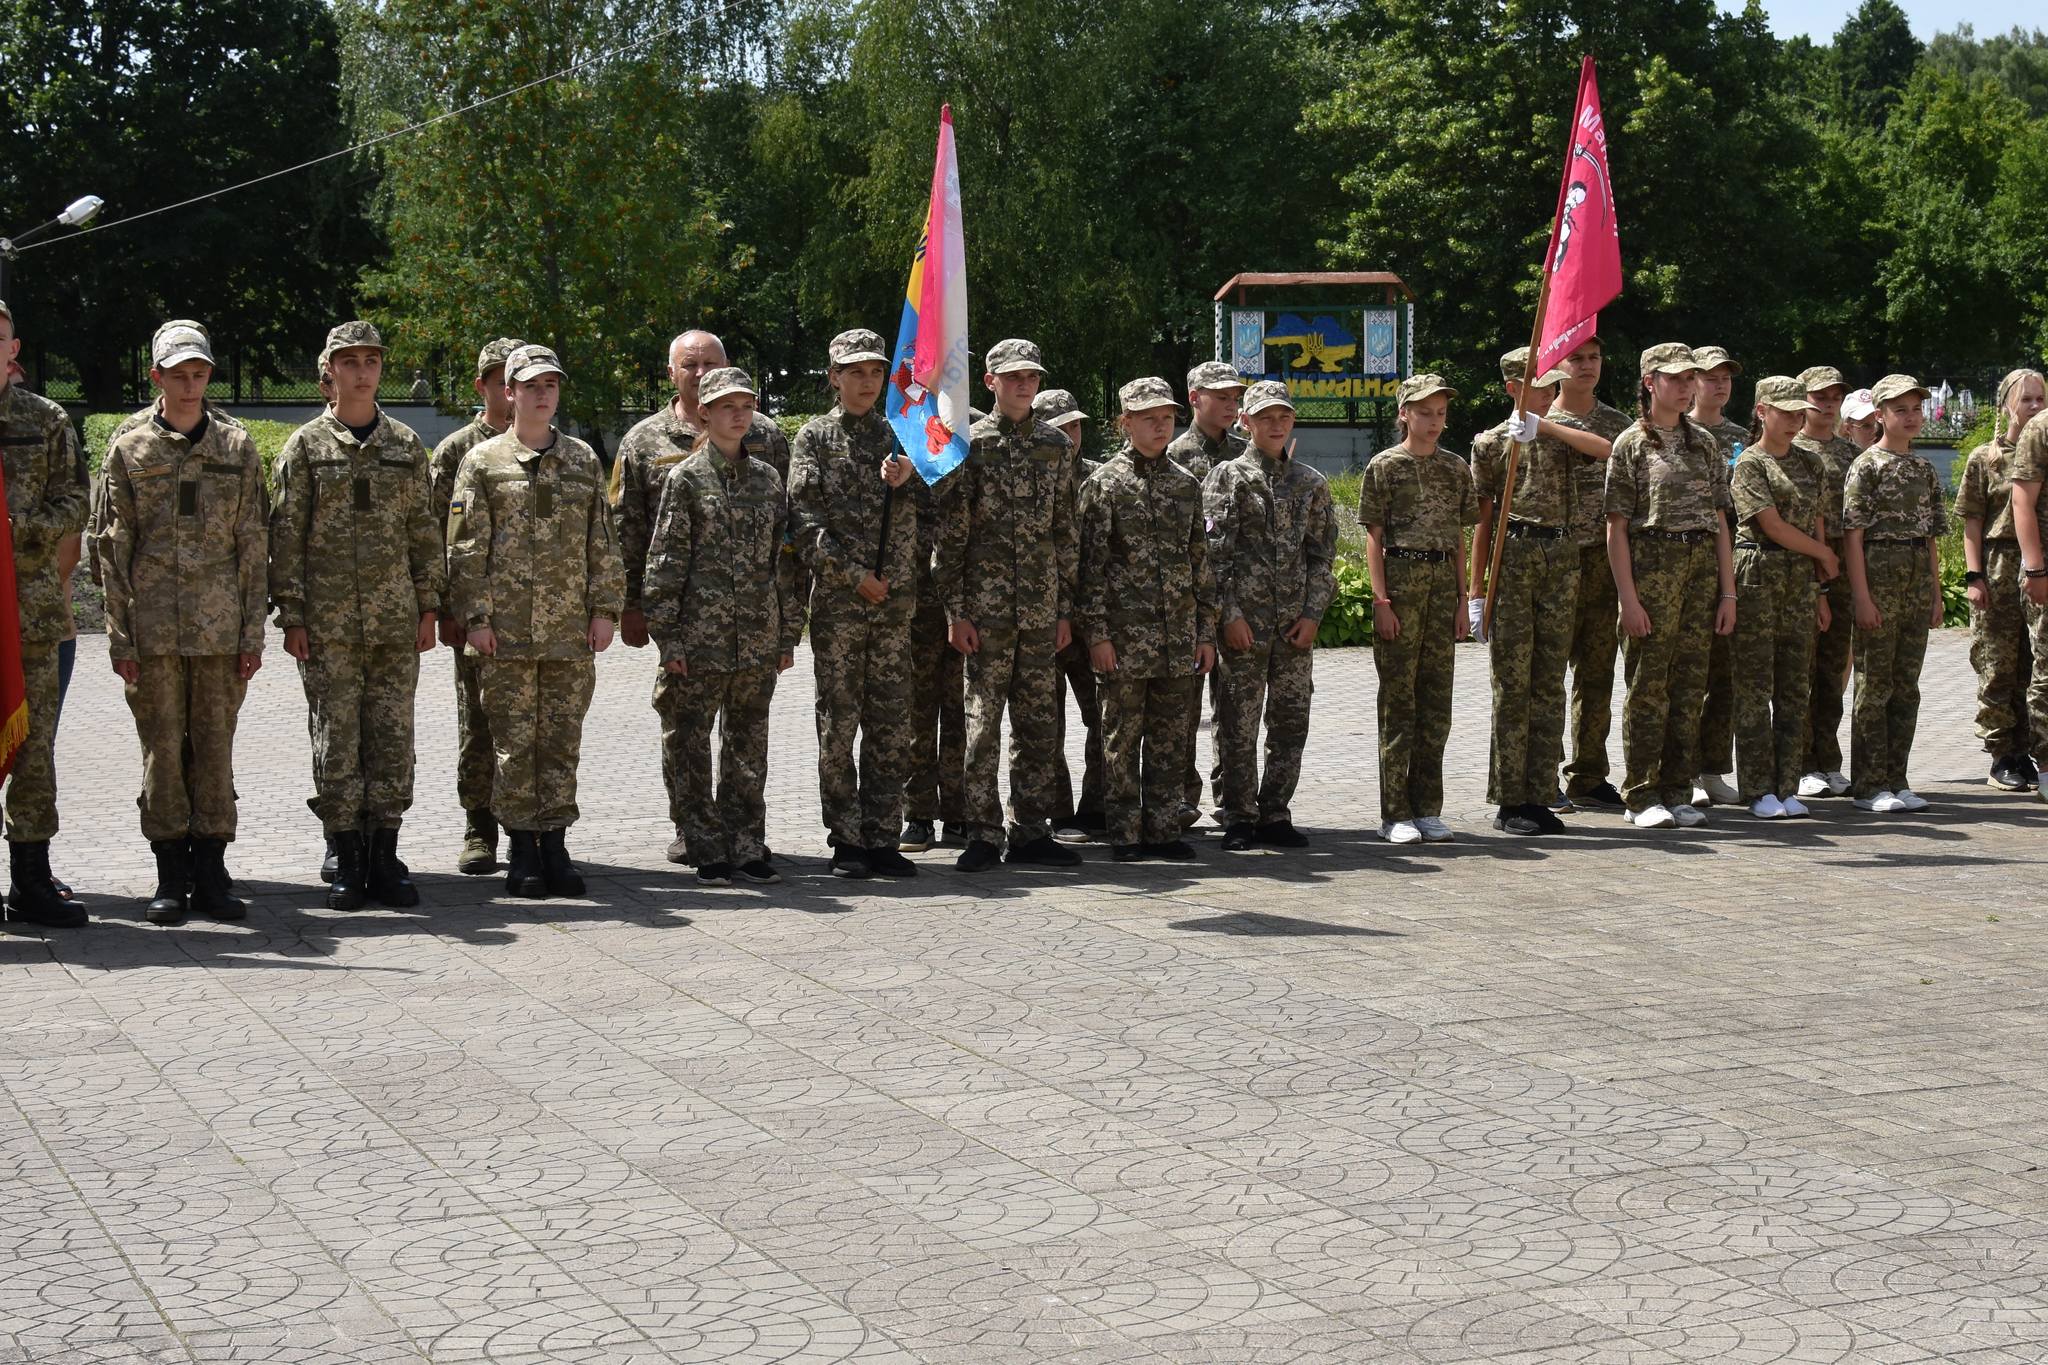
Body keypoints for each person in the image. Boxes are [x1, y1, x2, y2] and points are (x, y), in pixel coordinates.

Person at [270, 321, 444, 910]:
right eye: (350, 361)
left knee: (393, 739)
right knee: (337, 740)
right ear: (329, 371)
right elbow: (287, 537)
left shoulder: (404, 445)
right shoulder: (306, 448)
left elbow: (423, 531)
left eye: (371, 361)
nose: (362, 371)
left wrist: (428, 605)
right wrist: (292, 615)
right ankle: (346, 854)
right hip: (328, 627)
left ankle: (385, 853)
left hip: (395, 623)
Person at [100, 321, 268, 924]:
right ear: (157, 377)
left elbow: (253, 543)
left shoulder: (236, 447)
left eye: (199, 373)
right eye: (179, 375)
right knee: (162, 751)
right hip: (153, 633)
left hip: (220, 633)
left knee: (215, 751)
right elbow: (112, 547)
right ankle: (171, 872)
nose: (191, 385)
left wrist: (252, 633)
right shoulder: (130, 448)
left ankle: (213, 871)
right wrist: (120, 637)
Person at [612, 329, 801, 865]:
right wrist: (654, 623)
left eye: (746, 406)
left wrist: (788, 631)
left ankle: (745, 840)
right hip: (698, 635)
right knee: (688, 738)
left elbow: (783, 559)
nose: (737, 415)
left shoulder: (768, 474)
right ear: (703, 410)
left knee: (748, 743)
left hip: (756, 636)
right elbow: (656, 555)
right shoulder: (679, 474)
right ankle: (699, 836)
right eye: (725, 406)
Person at [446, 344, 623, 897]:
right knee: (514, 745)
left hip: (568, 632)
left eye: (551, 385)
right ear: (509, 393)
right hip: (506, 635)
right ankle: (522, 846)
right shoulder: (482, 462)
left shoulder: (581, 460)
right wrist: (476, 618)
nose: (543, 394)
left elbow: (602, 542)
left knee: (562, 742)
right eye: (531, 386)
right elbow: (465, 549)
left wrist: (604, 610)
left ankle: (556, 845)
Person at [935, 338, 1083, 872]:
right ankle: (981, 831)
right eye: (1014, 376)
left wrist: (1064, 609)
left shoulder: (1056, 445)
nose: (1024, 384)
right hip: (986, 612)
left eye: (1032, 377)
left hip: (1041, 610)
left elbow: (1065, 532)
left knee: (1039, 724)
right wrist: (956, 612)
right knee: (982, 726)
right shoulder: (969, 445)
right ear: (990, 382)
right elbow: (951, 536)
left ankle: (1031, 830)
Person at [788, 330, 920, 879]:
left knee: (891, 723)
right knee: (839, 724)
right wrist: (853, 575)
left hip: (894, 607)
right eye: (855, 372)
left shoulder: (903, 435)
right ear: (834, 378)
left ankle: (884, 836)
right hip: (842, 607)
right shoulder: (815, 438)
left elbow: (939, 506)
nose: (867, 382)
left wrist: (910, 480)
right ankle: (846, 838)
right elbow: (805, 522)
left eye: (875, 372)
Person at [1076, 377, 1218, 861]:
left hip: (1177, 639)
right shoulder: (1104, 485)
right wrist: (1097, 635)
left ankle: (1163, 829)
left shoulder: (1185, 484)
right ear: (1126, 423)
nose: (1161, 426)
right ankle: (1124, 833)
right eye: (1149, 418)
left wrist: (1204, 633)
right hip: (1124, 640)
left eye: (1167, 418)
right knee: (1120, 738)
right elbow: (1088, 569)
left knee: (1171, 738)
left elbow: (1199, 566)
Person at [1467, 347, 1601, 836]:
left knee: (1548, 682)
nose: (1547, 393)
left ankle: (1541, 792)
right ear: (1512, 388)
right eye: (1537, 386)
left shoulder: (1560, 433)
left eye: (1551, 385)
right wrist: (1476, 590)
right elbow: (1483, 520)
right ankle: (1510, 799)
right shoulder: (1491, 443)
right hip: (1515, 556)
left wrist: (1546, 427)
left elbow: (1606, 450)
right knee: (1513, 684)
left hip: (1561, 556)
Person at [1605, 343, 1736, 830]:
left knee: (1689, 686)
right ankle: (1641, 793)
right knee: (1648, 687)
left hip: (1700, 569)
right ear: (1650, 382)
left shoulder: (1704, 443)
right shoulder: (1631, 443)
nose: (1685, 387)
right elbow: (1616, 528)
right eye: (1674, 379)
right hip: (1652, 568)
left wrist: (1728, 592)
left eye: (1689, 379)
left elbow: (1720, 521)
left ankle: (1678, 789)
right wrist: (1628, 598)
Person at [1205, 380, 1335, 849]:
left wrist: (1313, 615)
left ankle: (1276, 812)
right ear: (1246, 422)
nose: (1275, 425)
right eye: (1264, 417)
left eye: (1283, 417)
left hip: (1294, 628)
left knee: (1290, 721)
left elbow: (1322, 558)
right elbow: (1214, 557)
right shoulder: (1228, 478)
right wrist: (1229, 616)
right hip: (1245, 626)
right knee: (1237, 723)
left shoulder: (1310, 483)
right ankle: (1239, 814)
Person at [0, 299, 89, 927]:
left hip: (30, 615)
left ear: (13, 349)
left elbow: (76, 501)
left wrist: (18, 529)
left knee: (34, 751)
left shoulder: (45, 420)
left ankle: (30, 879)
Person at [1359, 374, 1475, 843]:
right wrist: (1381, 601)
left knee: (1436, 704)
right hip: (1401, 583)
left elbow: (1459, 538)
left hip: (1442, 586)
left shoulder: (1455, 468)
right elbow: (1374, 537)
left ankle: (1428, 807)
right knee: (1398, 703)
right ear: (1404, 414)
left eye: (1441, 413)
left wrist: (1464, 600)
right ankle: (1395, 812)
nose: (1434, 421)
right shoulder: (1385, 466)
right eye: (1425, 412)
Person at [428, 336, 524, 873]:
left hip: (536, 615)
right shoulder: (457, 451)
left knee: (532, 727)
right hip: (477, 614)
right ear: (484, 385)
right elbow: (440, 534)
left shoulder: (552, 446)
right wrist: (447, 609)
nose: (508, 390)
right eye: (497, 378)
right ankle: (479, 826)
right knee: (479, 723)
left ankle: (529, 829)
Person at [1729, 377, 1836, 818]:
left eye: (1798, 413)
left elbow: (1816, 520)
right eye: (1785, 412)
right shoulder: (1749, 463)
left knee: (1795, 685)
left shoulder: (1811, 462)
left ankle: (1787, 784)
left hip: (1800, 578)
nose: (1794, 421)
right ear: (1762, 411)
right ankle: (1758, 789)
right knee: (1755, 686)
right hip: (1759, 570)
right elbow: (1771, 525)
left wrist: (1822, 587)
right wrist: (1824, 554)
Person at [1842, 374, 1946, 813]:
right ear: (1880, 415)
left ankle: (1897, 778)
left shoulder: (1923, 469)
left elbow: (1932, 537)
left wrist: (1936, 593)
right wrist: (1861, 597)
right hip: (1879, 574)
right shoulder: (1867, 465)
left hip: (1916, 578)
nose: (1911, 417)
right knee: (1874, 683)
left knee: (1906, 685)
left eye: (1916, 409)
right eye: (1900, 409)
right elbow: (1853, 536)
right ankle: (1869, 784)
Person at [1166, 361, 1249, 826]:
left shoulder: (1247, 453)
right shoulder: (1172, 454)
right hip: (1188, 601)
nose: (1230, 404)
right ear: (1195, 398)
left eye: (1235, 396)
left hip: (1240, 600)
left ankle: (1233, 798)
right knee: (1183, 706)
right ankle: (1181, 797)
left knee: (1235, 707)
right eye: (1220, 396)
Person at [1955, 369, 2045, 791]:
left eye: (2040, 398)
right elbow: (1972, 522)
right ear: (2006, 405)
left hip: (2037, 559)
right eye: (2026, 399)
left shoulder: (2044, 450)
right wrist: (1974, 576)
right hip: (1999, 563)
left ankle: (2027, 749)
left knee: (2032, 664)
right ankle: (2001, 754)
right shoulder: (1985, 457)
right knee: (1996, 664)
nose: (2035, 406)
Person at [1546, 337, 1627, 811]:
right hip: (1552, 560)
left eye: (1594, 357)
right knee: (1548, 672)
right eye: (1576, 357)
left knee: (1597, 672)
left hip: (1603, 559)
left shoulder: (1618, 424)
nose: (1587, 365)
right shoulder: (1539, 419)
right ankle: (1544, 771)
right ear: (1557, 364)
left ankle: (1589, 775)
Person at [1034, 388, 1107, 843]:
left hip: (1092, 619)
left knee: (1103, 715)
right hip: (1043, 618)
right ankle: (1057, 811)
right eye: (1061, 426)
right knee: (1046, 720)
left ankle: (1097, 806)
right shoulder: (1032, 475)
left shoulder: (1099, 477)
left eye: (1076, 425)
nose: (1071, 434)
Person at [1793, 365, 1862, 798]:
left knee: (1834, 665)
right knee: (1802, 666)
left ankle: (1827, 759)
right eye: (1820, 396)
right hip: (1801, 560)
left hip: (1843, 563)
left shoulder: (1850, 454)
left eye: (1835, 396)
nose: (1829, 403)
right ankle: (1802, 762)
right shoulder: (1791, 449)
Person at [1687, 345, 1748, 808]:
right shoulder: (1678, 433)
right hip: (1685, 562)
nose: (1720, 384)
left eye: (1725, 377)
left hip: (1733, 561)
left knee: (1725, 675)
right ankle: (1683, 770)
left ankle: (1712, 768)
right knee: (1688, 675)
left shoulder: (1740, 437)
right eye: (1710, 376)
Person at [900, 468, 965, 853]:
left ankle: (958, 812)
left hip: (967, 602)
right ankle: (918, 814)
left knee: (962, 711)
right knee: (918, 711)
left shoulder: (967, 443)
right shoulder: (903, 444)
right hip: (916, 602)